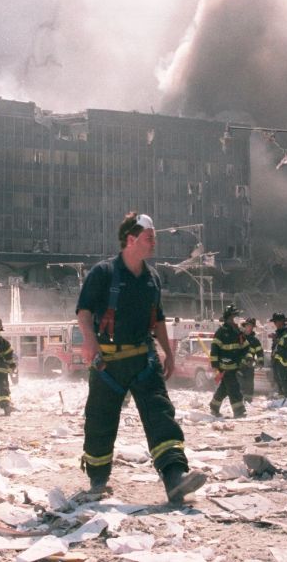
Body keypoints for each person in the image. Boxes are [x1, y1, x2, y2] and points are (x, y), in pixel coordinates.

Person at [76, 212, 206, 503]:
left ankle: (175, 478)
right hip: (108, 363)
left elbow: (157, 319)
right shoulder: (103, 273)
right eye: (150, 237)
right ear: (131, 239)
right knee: (100, 419)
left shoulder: (153, 278)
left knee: (161, 414)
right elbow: (84, 311)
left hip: (143, 360)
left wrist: (168, 353)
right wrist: (89, 341)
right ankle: (98, 478)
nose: (154, 242)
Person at [209, 304, 249, 418]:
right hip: (224, 366)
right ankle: (239, 411)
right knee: (233, 387)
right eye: (234, 316)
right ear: (228, 318)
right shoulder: (221, 332)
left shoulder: (238, 332)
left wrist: (247, 357)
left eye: (237, 316)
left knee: (224, 388)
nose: (236, 318)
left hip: (234, 365)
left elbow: (245, 347)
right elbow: (214, 349)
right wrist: (215, 366)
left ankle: (214, 406)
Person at [0, 318, 17, 416]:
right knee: (2, 388)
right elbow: (9, 356)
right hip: (1, 371)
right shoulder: (4, 342)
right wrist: (12, 366)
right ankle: (6, 408)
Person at [270, 313, 287, 398]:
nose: (275, 324)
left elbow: (285, 343)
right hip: (278, 359)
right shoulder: (279, 332)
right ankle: (281, 394)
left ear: (281, 321)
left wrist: (275, 338)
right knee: (277, 377)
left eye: (276, 321)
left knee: (283, 377)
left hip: (286, 359)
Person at [238, 317, 264, 403]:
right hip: (239, 365)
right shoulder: (240, 337)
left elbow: (259, 352)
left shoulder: (255, 340)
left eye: (252, 326)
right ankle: (239, 401)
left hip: (249, 366)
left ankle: (248, 401)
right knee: (240, 383)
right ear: (245, 326)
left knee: (249, 384)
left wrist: (260, 361)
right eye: (248, 325)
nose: (250, 328)